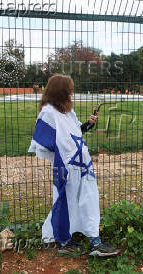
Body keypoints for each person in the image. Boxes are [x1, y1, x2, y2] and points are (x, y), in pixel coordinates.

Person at [28, 74, 120, 257]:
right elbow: (42, 140)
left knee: (89, 197)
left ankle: (95, 240)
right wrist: (64, 153)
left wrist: (89, 124)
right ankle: (63, 240)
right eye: (69, 90)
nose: (71, 93)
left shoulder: (68, 111)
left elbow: (76, 131)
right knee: (65, 200)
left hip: (83, 165)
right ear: (60, 92)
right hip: (65, 167)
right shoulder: (48, 112)